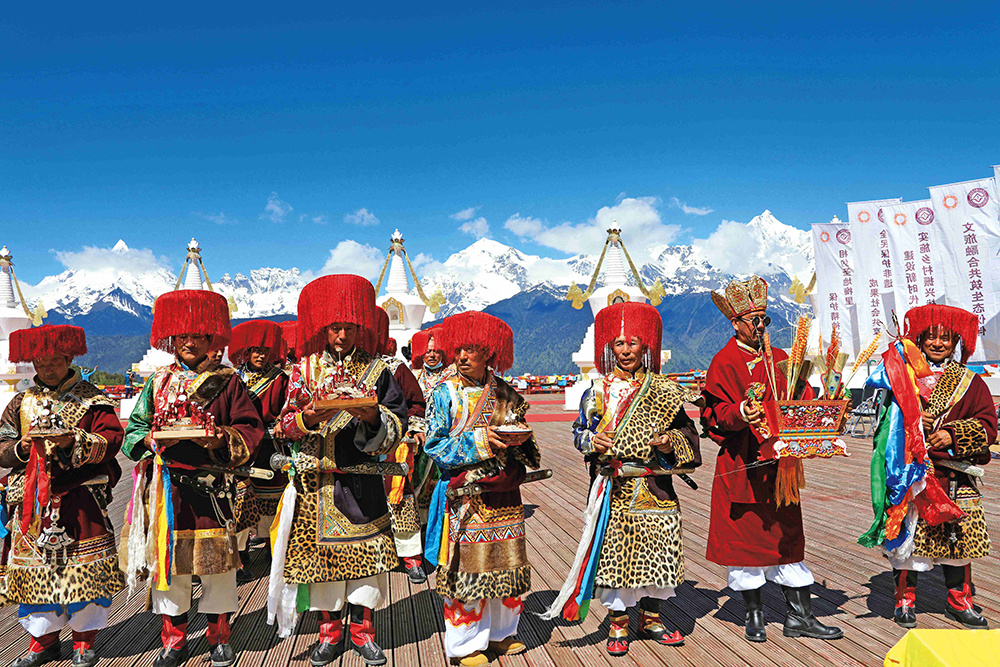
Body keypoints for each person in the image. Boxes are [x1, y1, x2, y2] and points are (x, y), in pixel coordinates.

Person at [546, 301, 698, 656]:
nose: (626, 350)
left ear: (645, 346)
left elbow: (689, 434)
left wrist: (668, 440)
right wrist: (593, 440)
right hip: (614, 486)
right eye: (619, 343)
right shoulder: (597, 393)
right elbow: (579, 432)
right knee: (616, 557)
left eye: (633, 343)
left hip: (654, 486)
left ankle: (652, 618)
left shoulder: (664, 391)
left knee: (659, 551)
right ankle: (618, 623)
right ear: (609, 348)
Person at [270, 275, 407, 667]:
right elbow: (282, 426)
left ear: (359, 327)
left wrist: (373, 418)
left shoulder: (379, 371)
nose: (342, 335)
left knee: (368, 565)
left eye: (349, 327)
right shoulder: (303, 371)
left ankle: (364, 634)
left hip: (362, 479)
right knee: (322, 568)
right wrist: (307, 418)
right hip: (316, 484)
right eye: (335, 327)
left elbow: (398, 423)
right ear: (323, 329)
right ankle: (329, 635)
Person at [122, 290, 264, 667]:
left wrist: (221, 439)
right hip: (169, 491)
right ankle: (175, 639)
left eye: (197, 335)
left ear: (211, 338)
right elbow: (132, 432)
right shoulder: (157, 383)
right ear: (171, 338)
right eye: (181, 335)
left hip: (214, 490)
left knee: (218, 567)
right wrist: (150, 440)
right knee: (171, 568)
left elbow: (250, 428)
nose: (188, 342)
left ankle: (219, 636)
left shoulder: (229, 383)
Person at [701, 276, 842, 643]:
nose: (761, 327)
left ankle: (800, 617)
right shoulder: (724, 361)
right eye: (754, 321)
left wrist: (824, 404)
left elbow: (804, 397)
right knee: (747, 543)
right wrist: (739, 413)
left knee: (788, 537)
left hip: (782, 467)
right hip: (743, 466)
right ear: (736, 323)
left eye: (765, 319)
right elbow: (713, 415)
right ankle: (754, 616)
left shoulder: (782, 359)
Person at [859, 304, 996, 629]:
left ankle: (959, 602)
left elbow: (989, 425)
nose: (937, 344)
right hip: (911, 474)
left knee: (958, 544)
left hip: (954, 475)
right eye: (930, 337)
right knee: (907, 543)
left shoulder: (970, 382)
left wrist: (951, 434)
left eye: (945, 338)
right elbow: (884, 427)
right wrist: (914, 425)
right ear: (919, 340)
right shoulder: (900, 379)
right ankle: (904, 601)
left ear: (955, 343)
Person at [0, 325, 124, 667]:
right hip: (32, 503)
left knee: (86, 569)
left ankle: (84, 641)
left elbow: (112, 441)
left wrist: (74, 441)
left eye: (53, 361)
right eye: (40, 363)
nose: (46, 369)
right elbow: (1, 445)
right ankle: (42, 641)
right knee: (37, 572)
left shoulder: (92, 400)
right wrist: (21, 448)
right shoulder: (20, 402)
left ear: (69, 359)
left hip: (81, 497)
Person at [423, 312, 540, 667]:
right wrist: (480, 441)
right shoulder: (443, 394)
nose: (461, 357)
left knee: (507, 563)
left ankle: (502, 634)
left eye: (471, 349)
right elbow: (433, 445)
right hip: (465, 496)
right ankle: (466, 644)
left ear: (488, 353)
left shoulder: (507, 393)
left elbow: (525, 441)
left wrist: (518, 443)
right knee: (468, 569)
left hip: (504, 494)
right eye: (458, 349)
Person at [227, 320, 290, 581]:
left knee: (275, 502)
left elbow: (288, 408)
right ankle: (240, 557)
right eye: (255, 350)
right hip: (242, 447)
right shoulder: (232, 379)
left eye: (265, 350)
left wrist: (279, 427)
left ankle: (274, 547)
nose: (261, 355)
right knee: (238, 502)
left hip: (271, 447)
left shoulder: (280, 379)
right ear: (245, 351)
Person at [368, 309, 428, 584]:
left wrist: (413, 429)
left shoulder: (394, 368)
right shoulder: (337, 370)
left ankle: (411, 557)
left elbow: (416, 403)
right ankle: (371, 556)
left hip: (393, 447)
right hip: (355, 451)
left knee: (401, 499)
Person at [410, 326, 457, 520]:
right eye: (428, 351)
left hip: (445, 439)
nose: (431, 355)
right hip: (419, 441)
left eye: (436, 351)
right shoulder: (413, 376)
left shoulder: (452, 377)